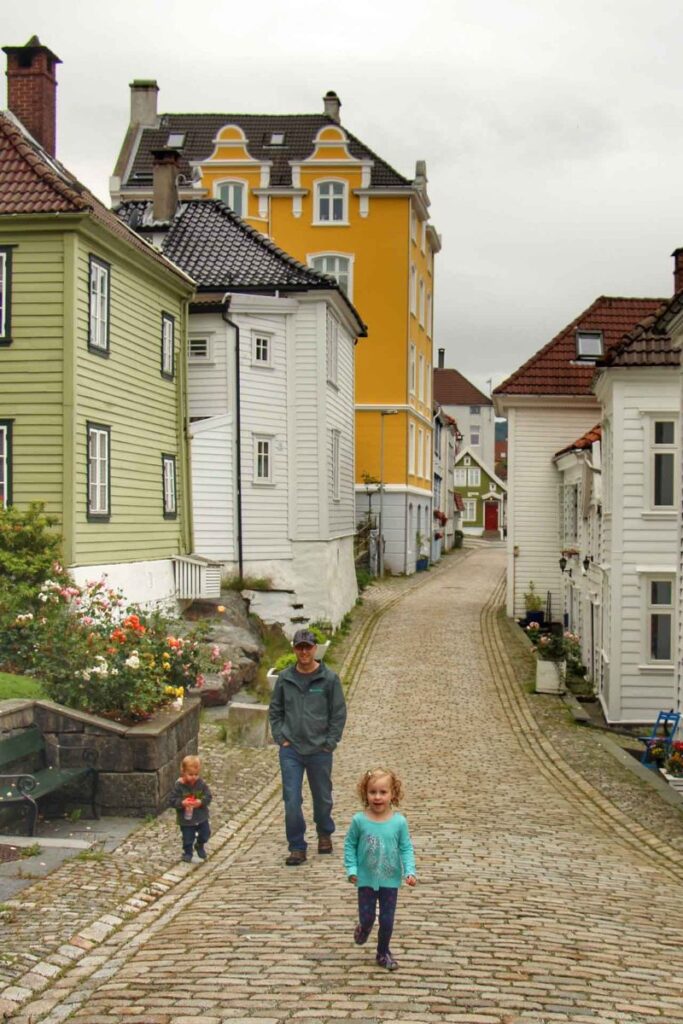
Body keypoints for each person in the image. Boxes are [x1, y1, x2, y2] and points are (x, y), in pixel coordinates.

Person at [268, 627, 347, 866]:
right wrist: (280, 737)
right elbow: (275, 710)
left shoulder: (329, 679)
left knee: (322, 797)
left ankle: (324, 832)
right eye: (299, 647)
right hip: (291, 749)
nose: (304, 652)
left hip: (319, 749)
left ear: (314, 649)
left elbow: (338, 713)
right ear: (294, 649)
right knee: (291, 799)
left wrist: (330, 743)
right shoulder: (285, 678)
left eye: (307, 647)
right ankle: (297, 846)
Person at [344, 766, 417, 971]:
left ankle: (383, 952)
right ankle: (363, 929)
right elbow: (350, 845)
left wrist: (410, 871)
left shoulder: (399, 822)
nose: (377, 797)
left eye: (383, 792)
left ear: (392, 794)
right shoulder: (359, 821)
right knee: (367, 918)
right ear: (365, 793)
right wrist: (352, 869)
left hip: (389, 880)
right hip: (366, 879)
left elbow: (406, 848)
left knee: (387, 920)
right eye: (372, 792)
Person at [170, 754, 213, 863]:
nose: (193, 777)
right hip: (186, 819)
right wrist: (182, 803)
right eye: (190, 774)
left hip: (201, 816)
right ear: (183, 772)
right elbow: (172, 800)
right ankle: (188, 852)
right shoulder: (179, 786)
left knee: (206, 833)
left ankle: (199, 844)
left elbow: (208, 796)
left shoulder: (201, 784)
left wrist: (201, 802)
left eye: (196, 774)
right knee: (188, 837)